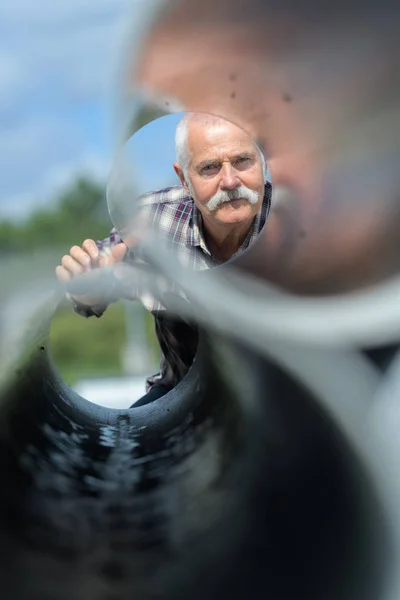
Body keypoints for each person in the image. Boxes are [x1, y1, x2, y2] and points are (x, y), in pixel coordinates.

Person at [56, 113, 272, 405]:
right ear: (184, 178)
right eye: (209, 168)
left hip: (285, 394)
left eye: (242, 161)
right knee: (124, 440)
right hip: (182, 391)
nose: (230, 181)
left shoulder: (302, 222)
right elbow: (96, 275)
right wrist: (87, 290)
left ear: (262, 162)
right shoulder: (154, 218)